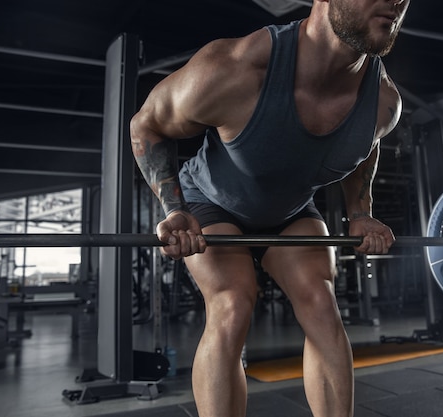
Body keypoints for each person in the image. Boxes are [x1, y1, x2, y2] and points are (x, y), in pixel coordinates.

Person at [130, 0, 411, 416]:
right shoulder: (236, 68)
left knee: (320, 302)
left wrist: (360, 212)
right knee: (232, 302)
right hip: (210, 203)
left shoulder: (383, 102)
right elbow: (147, 123)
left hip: (291, 210)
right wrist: (173, 208)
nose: (396, 1)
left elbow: (366, 149)